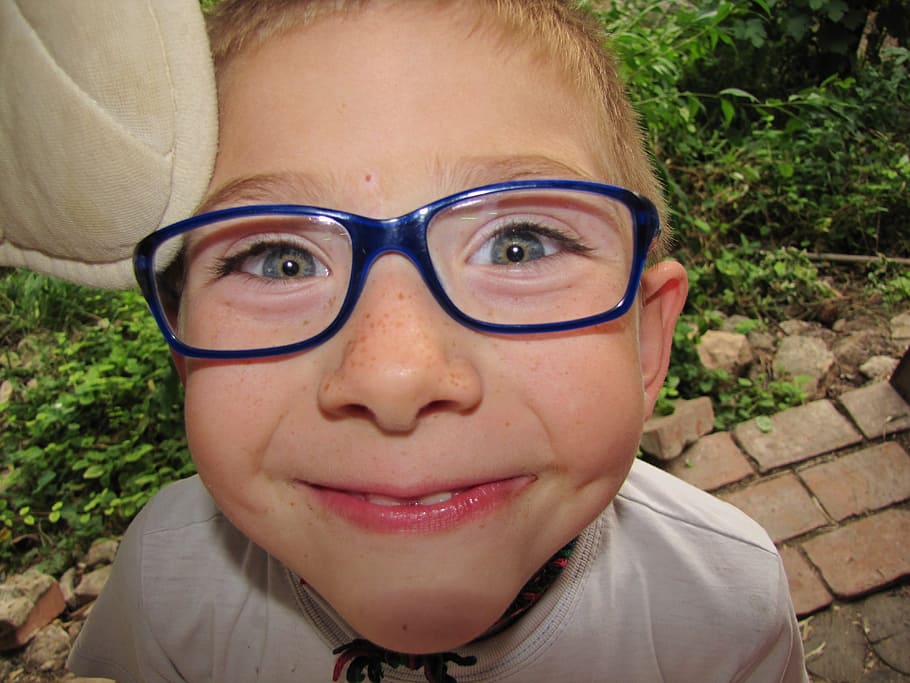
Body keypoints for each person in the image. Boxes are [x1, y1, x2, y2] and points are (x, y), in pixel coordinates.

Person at [67, 1, 808, 681]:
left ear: (646, 340)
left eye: (518, 245)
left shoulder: (727, 612)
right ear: (187, 354)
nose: (396, 372)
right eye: (280, 260)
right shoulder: (163, 587)